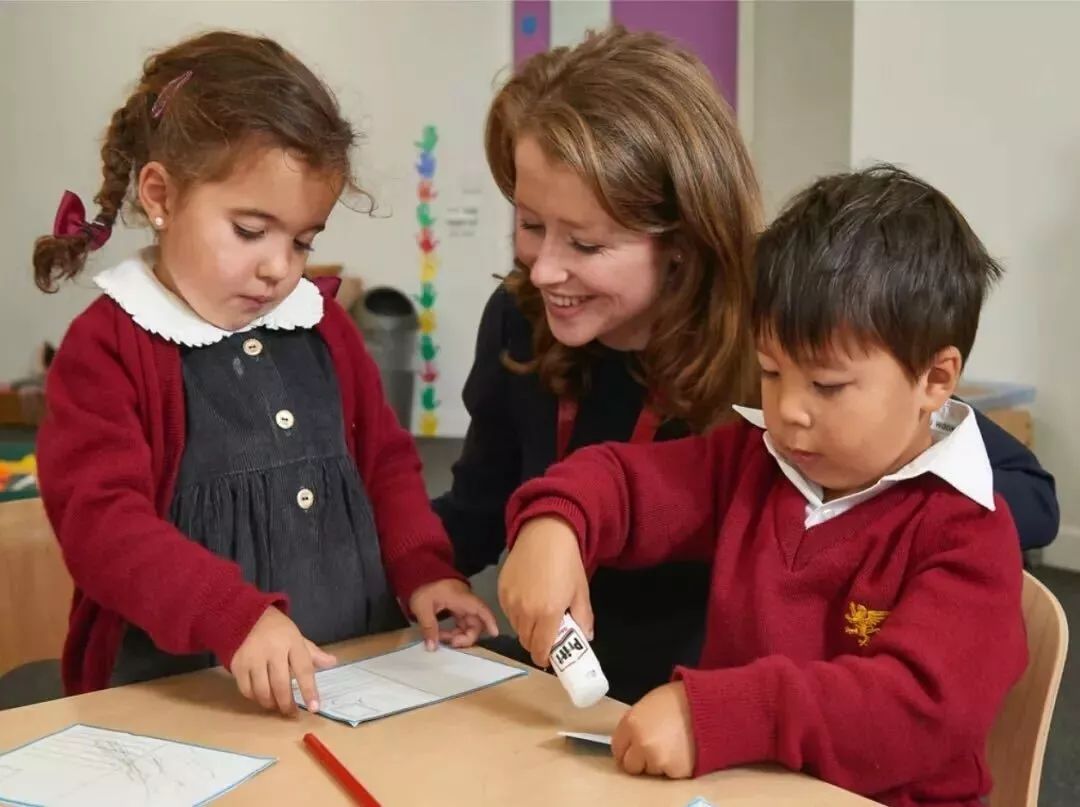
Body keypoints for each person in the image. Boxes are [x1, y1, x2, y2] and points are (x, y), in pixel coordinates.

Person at [433, 26, 1057, 704]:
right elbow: (482, 506)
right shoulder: (522, 314)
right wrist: (416, 566)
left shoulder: (780, 330)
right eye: (528, 224)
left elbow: (1013, 488)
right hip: (569, 690)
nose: (546, 266)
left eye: (585, 242)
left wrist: (842, 518)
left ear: (681, 239)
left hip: (717, 703)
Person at [499, 165, 1027, 806]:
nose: (791, 411)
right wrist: (556, 521)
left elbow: (916, 711)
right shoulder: (755, 461)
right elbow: (622, 481)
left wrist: (718, 716)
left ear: (935, 380)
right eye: (773, 373)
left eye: (827, 386)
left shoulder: (968, 533)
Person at [32, 31, 496, 713]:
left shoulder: (321, 326)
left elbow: (388, 468)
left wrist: (425, 572)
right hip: (181, 698)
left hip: (351, 681)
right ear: (160, 195)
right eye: (251, 230)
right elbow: (103, 526)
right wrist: (232, 615)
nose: (279, 266)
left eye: (303, 240)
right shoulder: (106, 348)